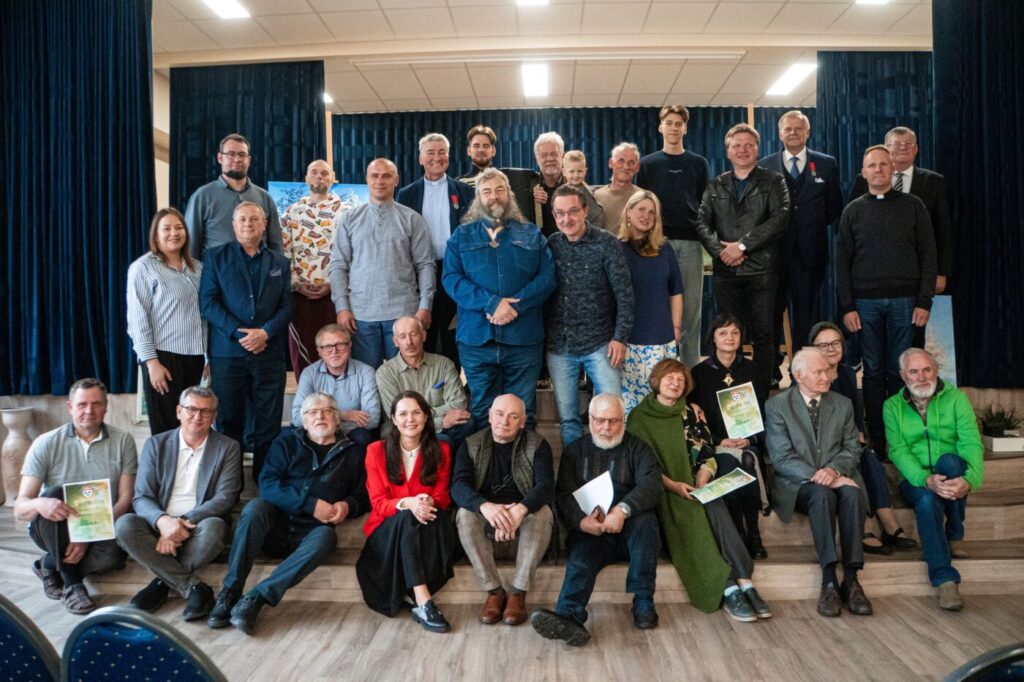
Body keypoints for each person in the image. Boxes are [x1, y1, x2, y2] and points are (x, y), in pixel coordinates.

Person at [207, 392, 368, 634]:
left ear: (337, 419)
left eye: (326, 411)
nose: (320, 417)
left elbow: (363, 496)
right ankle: (230, 591)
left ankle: (255, 598)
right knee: (254, 508)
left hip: (311, 534)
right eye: (312, 412)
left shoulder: (353, 453)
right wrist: (310, 504)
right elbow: (268, 484)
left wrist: (347, 506)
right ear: (304, 421)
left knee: (327, 537)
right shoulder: (286, 443)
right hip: (276, 527)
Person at [627, 359, 772, 622]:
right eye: (669, 378)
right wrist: (674, 485)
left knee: (715, 504)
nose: (675, 383)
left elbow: (706, 450)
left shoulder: (690, 412)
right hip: (663, 490)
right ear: (657, 381)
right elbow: (641, 465)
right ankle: (728, 587)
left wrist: (704, 478)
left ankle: (745, 581)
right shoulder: (639, 417)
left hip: (696, 484)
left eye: (680, 379)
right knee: (690, 515)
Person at [530, 395, 662, 646]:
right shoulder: (574, 451)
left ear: (623, 419)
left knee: (646, 522)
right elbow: (563, 494)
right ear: (590, 420)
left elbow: (652, 485)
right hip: (592, 531)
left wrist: (622, 510)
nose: (606, 427)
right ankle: (569, 617)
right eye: (600, 420)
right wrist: (581, 522)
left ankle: (643, 600)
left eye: (613, 421)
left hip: (631, 533)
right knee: (580, 559)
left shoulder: (638, 448)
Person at [837, 145, 936, 453]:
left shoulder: (913, 206)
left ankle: (900, 438)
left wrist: (924, 300)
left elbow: (929, 254)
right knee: (873, 370)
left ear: (893, 169)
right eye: (872, 165)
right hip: (864, 304)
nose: (878, 169)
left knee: (899, 371)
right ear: (863, 173)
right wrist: (847, 306)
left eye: (883, 164)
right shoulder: (853, 211)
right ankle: (878, 440)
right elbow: (842, 262)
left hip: (905, 301)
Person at [114, 386, 241, 620]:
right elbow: (141, 496)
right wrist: (163, 521)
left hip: (199, 524)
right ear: (178, 411)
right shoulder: (156, 444)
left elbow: (225, 497)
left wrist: (180, 523)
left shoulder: (228, 447)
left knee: (216, 528)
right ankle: (193, 587)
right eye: (191, 409)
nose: (197, 416)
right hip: (157, 524)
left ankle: (160, 584)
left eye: (205, 411)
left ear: (214, 416)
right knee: (124, 525)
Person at [443, 168, 556, 425]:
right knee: (483, 412)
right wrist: (492, 304)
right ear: (478, 198)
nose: (493, 196)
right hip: (477, 340)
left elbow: (547, 278)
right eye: (486, 191)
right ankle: (485, 454)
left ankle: (523, 454)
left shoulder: (531, 234)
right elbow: (451, 279)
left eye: (499, 190)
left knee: (523, 412)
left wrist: (515, 306)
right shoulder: (461, 236)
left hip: (523, 339)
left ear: (509, 194)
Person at [14, 378, 137, 615]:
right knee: (53, 493)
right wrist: (40, 503)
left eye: (96, 404)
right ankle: (73, 585)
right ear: (70, 407)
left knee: (113, 558)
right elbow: (20, 507)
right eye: (82, 405)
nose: (89, 411)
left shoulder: (123, 441)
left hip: (100, 524)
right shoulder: (45, 443)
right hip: (52, 526)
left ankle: (48, 564)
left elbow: (125, 499)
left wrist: (87, 534)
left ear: (106, 406)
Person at [765, 349, 872, 618]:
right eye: (819, 372)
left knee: (852, 494)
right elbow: (781, 458)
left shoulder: (842, 404)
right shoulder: (777, 406)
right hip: (797, 483)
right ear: (799, 375)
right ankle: (829, 580)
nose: (827, 377)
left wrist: (833, 471)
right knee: (822, 495)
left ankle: (851, 579)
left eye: (828, 371)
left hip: (837, 475)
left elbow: (852, 447)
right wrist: (820, 475)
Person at [695, 123, 789, 404]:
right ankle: (733, 394)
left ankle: (760, 396)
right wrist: (720, 251)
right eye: (736, 145)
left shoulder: (774, 181)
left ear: (757, 149)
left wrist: (743, 246)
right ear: (728, 151)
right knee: (728, 334)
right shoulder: (716, 185)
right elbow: (701, 222)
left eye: (749, 145)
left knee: (763, 334)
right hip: (726, 271)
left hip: (763, 270)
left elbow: (780, 219)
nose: (742, 150)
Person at [884, 348, 984, 611]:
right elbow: (898, 450)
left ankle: (954, 531)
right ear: (903, 375)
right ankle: (945, 580)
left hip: (952, 472)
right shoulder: (892, 406)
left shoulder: (957, 399)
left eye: (926, 370)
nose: (921, 377)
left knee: (950, 462)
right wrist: (924, 479)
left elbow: (971, 443)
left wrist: (970, 481)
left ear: (936, 370)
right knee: (927, 502)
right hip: (914, 478)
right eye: (914, 371)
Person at [199, 201, 292, 482]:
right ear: (234, 225)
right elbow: (207, 303)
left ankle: (266, 486)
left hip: (269, 353)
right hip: (228, 355)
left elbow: (287, 307)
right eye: (242, 219)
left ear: (264, 224)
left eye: (254, 219)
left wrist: (265, 333)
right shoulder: (215, 257)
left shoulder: (280, 262)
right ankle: (230, 486)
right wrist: (241, 334)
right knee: (229, 422)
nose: (248, 224)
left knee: (268, 423)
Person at [808, 321, 918, 555]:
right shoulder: (807, 376)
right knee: (854, 462)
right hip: (821, 447)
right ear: (812, 349)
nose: (831, 349)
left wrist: (857, 434)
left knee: (870, 461)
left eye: (835, 343)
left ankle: (888, 521)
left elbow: (856, 415)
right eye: (823, 345)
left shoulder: (848, 373)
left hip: (849, 441)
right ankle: (865, 524)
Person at [451, 394, 554, 626]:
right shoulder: (470, 444)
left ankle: (518, 592)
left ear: (523, 421)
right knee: (464, 514)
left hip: (524, 522)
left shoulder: (538, 445)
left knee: (544, 512)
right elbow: (458, 486)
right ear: (489, 416)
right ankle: (494, 591)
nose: (504, 421)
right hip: (486, 520)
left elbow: (546, 486)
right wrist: (485, 507)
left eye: (513, 416)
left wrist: (520, 510)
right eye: (499, 414)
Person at [358, 391, 457, 632]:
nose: (410, 419)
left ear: (426, 417)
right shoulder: (375, 451)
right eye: (403, 414)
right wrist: (409, 503)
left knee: (416, 520)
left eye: (416, 413)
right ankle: (424, 602)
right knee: (406, 518)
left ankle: (419, 599)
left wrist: (428, 501)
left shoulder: (442, 450)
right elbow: (379, 503)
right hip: (387, 529)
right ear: (393, 419)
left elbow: (443, 496)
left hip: (428, 524)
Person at [759, 110, 844, 385]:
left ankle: (801, 372)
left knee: (806, 316)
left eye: (798, 129)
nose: (793, 133)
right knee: (771, 314)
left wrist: (809, 226)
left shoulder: (826, 164)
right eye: (788, 129)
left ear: (807, 132)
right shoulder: (765, 166)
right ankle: (771, 371)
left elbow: (834, 208)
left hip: (810, 255)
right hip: (773, 255)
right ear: (779, 134)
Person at [546, 185, 634, 446]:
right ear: (554, 215)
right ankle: (575, 469)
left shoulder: (607, 243)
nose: (567, 218)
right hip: (559, 346)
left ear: (585, 211)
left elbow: (625, 295)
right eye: (560, 213)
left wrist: (620, 337)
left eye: (573, 211)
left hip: (601, 344)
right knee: (568, 419)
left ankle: (611, 465)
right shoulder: (551, 245)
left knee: (613, 413)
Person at [328, 158, 436, 369]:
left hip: (404, 313)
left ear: (396, 180)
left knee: (406, 377)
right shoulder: (349, 219)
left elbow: (425, 265)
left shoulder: (412, 219)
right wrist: (342, 307)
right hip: (360, 315)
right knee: (366, 379)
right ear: (367, 180)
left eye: (386, 176)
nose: (380, 181)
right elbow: (338, 266)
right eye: (374, 176)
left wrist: (425, 306)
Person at [689, 314, 770, 559]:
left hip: (747, 440)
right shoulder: (699, 373)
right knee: (730, 463)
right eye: (723, 333)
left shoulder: (753, 369)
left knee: (748, 458)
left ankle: (753, 533)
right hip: (716, 443)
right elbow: (695, 419)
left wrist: (751, 439)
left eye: (735, 332)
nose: (729, 337)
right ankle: (739, 532)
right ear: (712, 338)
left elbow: (762, 410)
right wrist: (718, 440)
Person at [637, 105, 711, 368]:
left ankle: (689, 373)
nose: (673, 128)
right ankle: (661, 371)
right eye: (669, 123)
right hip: (657, 244)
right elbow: (642, 207)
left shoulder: (699, 164)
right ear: (661, 127)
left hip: (691, 244)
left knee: (691, 313)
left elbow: (705, 205)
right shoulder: (647, 164)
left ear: (685, 128)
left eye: (678, 123)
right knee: (658, 309)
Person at [396, 134, 475, 366]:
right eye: (430, 152)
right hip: (420, 273)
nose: (436, 157)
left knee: (453, 332)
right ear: (420, 158)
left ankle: (452, 380)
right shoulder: (406, 194)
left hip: (455, 271)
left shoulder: (465, 192)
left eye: (442, 152)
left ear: (449, 157)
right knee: (423, 331)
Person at [127, 207, 207, 435]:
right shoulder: (143, 268)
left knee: (191, 427)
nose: (174, 233)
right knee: (166, 429)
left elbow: (205, 316)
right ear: (156, 234)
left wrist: (208, 357)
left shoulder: (198, 268)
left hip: (196, 358)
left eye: (179, 228)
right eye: (167, 228)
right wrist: (151, 363)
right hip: (163, 359)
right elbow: (137, 320)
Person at [851, 126, 952, 300]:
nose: (903, 148)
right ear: (886, 149)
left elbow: (943, 230)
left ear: (916, 149)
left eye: (908, 144)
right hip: (874, 271)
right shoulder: (864, 180)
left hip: (920, 269)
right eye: (897, 144)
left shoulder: (933, 182)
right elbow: (851, 227)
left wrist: (941, 271)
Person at [280, 159, 353, 376]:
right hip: (301, 296)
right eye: (314, 172)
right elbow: (284, 252)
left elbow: (353, 255)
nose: (319, 176)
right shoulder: (292, 212)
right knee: (304, 351)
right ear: (306, 178)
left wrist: (334, 285)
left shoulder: (347, 213)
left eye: (324, 173)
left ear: (333, 178)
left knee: (336, 349)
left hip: (335, 296)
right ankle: (307, 395)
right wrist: (296, 284)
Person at [615, 190, 683, 413]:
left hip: (660, 337)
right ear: (628, 212)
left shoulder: (665, 249)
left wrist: (676, 328)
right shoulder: (615, 248)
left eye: (652, 212)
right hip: (627, 339)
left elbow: (676, 291)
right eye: (641, 210)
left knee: (659, 401)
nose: (646, 216)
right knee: (629, 407)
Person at [376, 316, 475, 456]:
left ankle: (456, 464)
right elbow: (397, 416)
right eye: (403, 337)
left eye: (413, 334)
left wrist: (424, 417)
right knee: (443, 441)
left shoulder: (443, 364)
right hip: (404, 430)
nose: (409, 342)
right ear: (395, 341)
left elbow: (459, 403)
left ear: (423, 335)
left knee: (467, 422)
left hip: (442, 428)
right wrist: (440, 422)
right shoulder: (385, 373)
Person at [185, 133, 282, 259]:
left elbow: (276, 244)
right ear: (220, 158)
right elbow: (190, 245)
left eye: (242, 155)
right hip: (216, 270)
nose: (237, 159)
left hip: (259, 269)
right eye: (231, 154)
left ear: (249, 160)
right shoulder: (202, 196)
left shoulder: (264, 197)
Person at [291, 324, 380, 447]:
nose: (334, 351)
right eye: (327, 347)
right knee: (289, 438)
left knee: (363, 437)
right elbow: (297, 418)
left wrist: (321, 417)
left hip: (351, 434)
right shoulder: (309, 373)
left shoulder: (366, 372)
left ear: (349, 346)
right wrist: (343, 415)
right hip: (318, 432)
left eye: (340, 345)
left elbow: (372, 419)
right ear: (319, 351)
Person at [594, 142, 642, 232]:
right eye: (621, 161)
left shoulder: (643, 197)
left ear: (637, 167)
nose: (626, 166)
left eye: (631, 162)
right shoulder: (596, 195)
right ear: (611, 163)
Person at [530, 131, 567, 237]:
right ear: (537, 158)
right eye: (544, 155)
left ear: (562, 155)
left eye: (554, 154)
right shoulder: (529, 186)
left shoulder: (574, 186)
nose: (549, 159)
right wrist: (530, 200)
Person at [561, 149, 604, 230]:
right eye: (571, 171)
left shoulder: (590, 190)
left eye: (580, 171)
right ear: (564, 172)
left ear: (585, 171)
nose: (576, 175)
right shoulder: (561, 195)